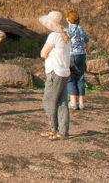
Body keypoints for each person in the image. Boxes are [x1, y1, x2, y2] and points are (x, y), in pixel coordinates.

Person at [39, 11, 71, 140]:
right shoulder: (66, 36)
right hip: (64, 71)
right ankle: (63, 131)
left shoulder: (53, 35)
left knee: (49, 101)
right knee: (62, 102)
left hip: (55, 71)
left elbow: (43, 53)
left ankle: (53, 128)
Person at [66, 10, 90, 110]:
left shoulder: (67, 30)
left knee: (71, 77)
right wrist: (86, 50)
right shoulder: (82, 29)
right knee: (80, 77)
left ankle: (73, 102)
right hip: (82, 54)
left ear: (68, 19)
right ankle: (81, 103)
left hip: (71, 55)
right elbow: (88, 41)